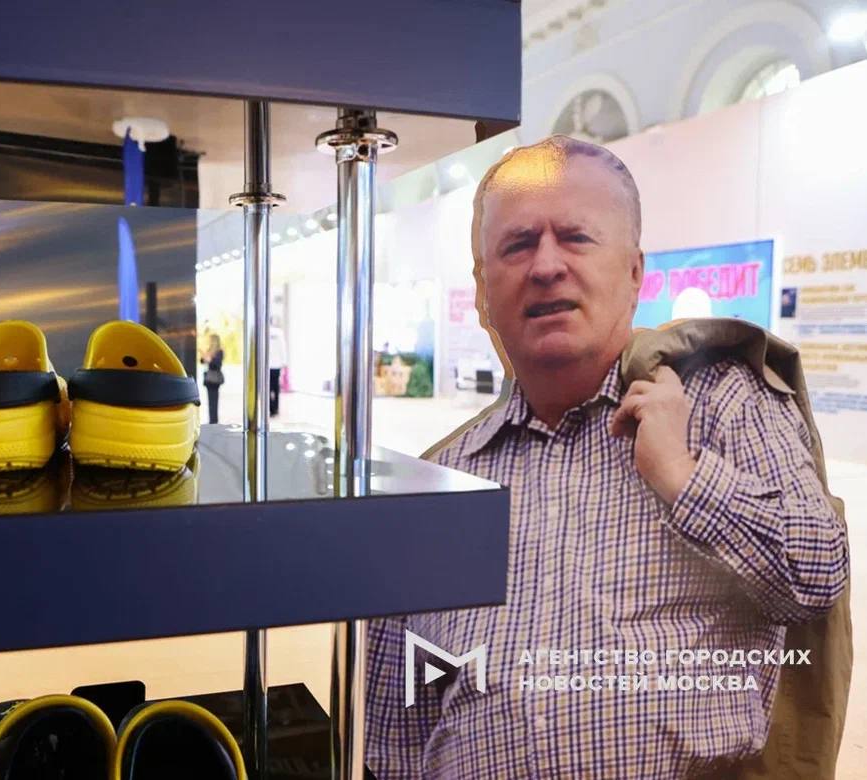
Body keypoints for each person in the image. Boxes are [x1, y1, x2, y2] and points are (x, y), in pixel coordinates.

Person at [364, 136, 849, 779]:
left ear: (634, 272)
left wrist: (681, 477)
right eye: (517, 245)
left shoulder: (723, 401)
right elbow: (393, 734)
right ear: (483, 290)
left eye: (576, 237)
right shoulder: (442, 483)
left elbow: (816, 575)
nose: (545, 266)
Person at [200, 332, 224, 425]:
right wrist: (204, 357)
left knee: (214, 400)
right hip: (209, 379)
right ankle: (212, 420)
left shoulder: (219, 352)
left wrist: (210, 359)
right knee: (210, 401)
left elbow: (217, 364)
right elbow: (202, 361)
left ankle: (214, 421)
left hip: (215, 379)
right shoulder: (209, 350)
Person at [269, 320, 287, 417]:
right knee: (276, 387)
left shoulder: (265, 332)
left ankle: (270, 407)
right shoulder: (279, 333)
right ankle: (275, 408)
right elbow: (282, 349)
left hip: (267, 365)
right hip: (277, 365)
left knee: (268, 387)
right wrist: (284, 362)